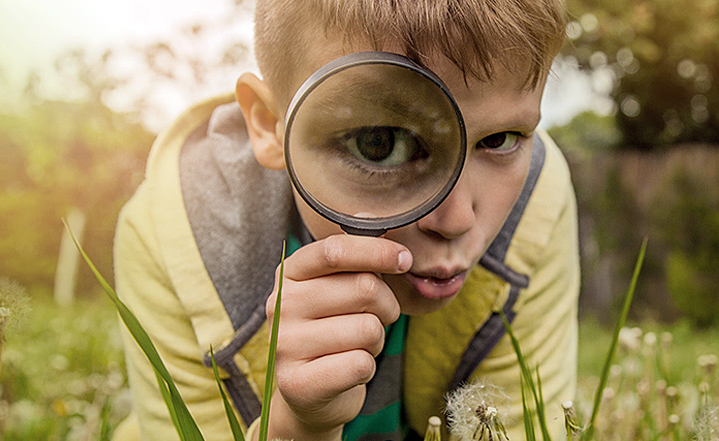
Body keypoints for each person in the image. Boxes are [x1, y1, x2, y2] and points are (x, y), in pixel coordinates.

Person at [110, 1, 579, 440]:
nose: (456, 220)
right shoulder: (176, 236)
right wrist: (295, 428)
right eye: (379, 143)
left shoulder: (535, 203)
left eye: (499, 140)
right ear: (270, 124)